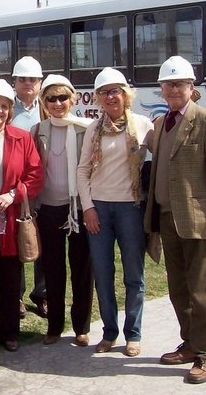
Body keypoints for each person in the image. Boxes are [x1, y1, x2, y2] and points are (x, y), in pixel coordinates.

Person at [145, 56, 206, 384]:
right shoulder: (160, 124)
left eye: (179, 84)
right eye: (168, 84)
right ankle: (190, 343)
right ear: (162, 89)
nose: (174, 89)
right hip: (168, 218)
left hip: (199, 219)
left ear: (191, 88)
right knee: (178, 289)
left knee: (202, 290)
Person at [77, 67, 153, 357]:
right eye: (104, 92)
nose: (110, 97)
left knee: (134, 274)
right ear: (98, 98)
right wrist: (88, 208)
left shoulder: (144, 125)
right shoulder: (93, 130)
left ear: (126, 94)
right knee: (103, 273)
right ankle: (109, 332)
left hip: (130, 209)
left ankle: (133, 334)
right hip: (99, 210)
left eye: (115, 91)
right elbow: (82, 171)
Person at [0, 80, 44, 355]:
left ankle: (10, 332)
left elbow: (35, 175)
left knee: (11, 279)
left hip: (12, 218)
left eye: (4, 106)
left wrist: (14, 194)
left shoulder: (22, 138)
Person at [32, 75, 94, 347]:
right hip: (48, 210)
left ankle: (81, 326)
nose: (57, 103)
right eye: (51, 98)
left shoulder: (87, 128)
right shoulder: (38, 131)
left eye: (62, 98)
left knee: (82, 269)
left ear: (73, 99)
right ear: (43, 102)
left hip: (79, 209)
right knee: (52, 270)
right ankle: (55, 326)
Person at [9, 55, 48, 319]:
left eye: (32, 79)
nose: (27, 84)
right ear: (15, 82)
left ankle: (42, 294)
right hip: (17, 186)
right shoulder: (8, 110)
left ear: (40, 82)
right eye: (22, 79)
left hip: (44, 185)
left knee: (42, 239)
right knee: (18, 238)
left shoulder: (46, 108)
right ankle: (17, 295)